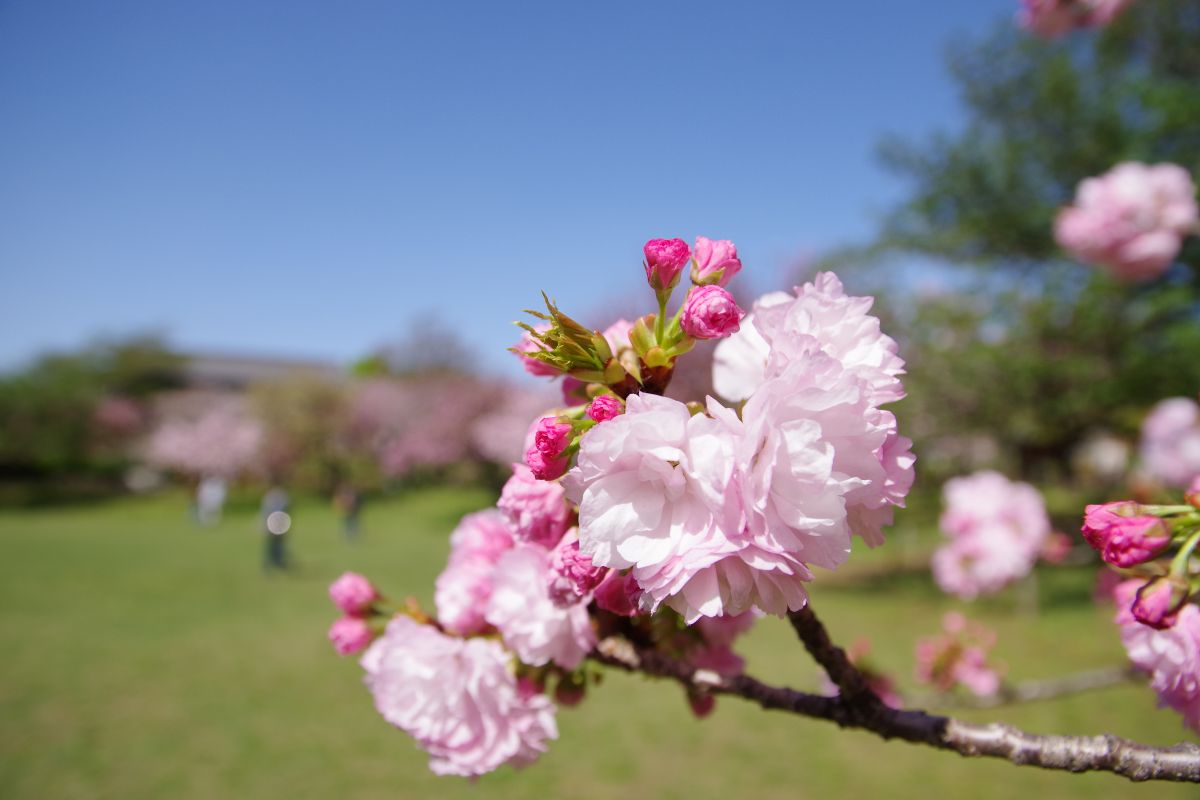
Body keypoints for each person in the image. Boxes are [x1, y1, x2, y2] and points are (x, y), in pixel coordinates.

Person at [261, 486, 291, 572]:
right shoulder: (279, 497)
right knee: (272, 547)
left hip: (277, 526)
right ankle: (270, 564)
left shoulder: (276, 497)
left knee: (277, 546)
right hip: (274, 525)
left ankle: (278, 562)